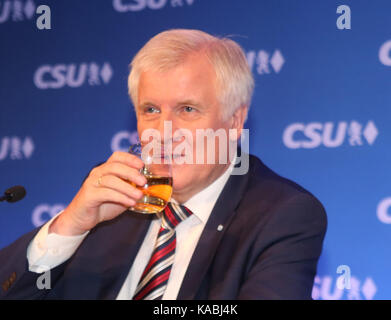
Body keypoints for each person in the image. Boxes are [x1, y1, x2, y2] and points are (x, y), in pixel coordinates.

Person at [0, 29, 327, 300]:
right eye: (151, 110)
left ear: (234, 121)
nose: (163, 134)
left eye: (187, 110)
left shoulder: (282, 214)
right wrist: (70, 226)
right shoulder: (114, 192)